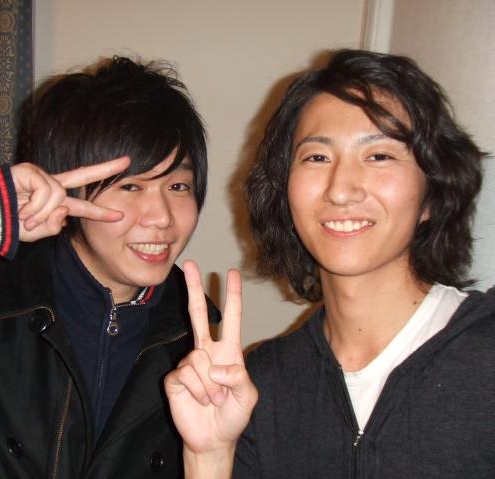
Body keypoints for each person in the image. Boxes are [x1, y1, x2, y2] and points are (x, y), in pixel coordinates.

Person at [0, 56, 219, 478]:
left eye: (178, 185)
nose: (162, 217)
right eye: (130, 186)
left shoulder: (194, 329)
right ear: (69, 188)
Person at [165, 49, 494, 478]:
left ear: (432, 194)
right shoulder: (261, 383)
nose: (340, 189)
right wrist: (209, 456)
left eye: (379, 156)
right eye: (317, 157)